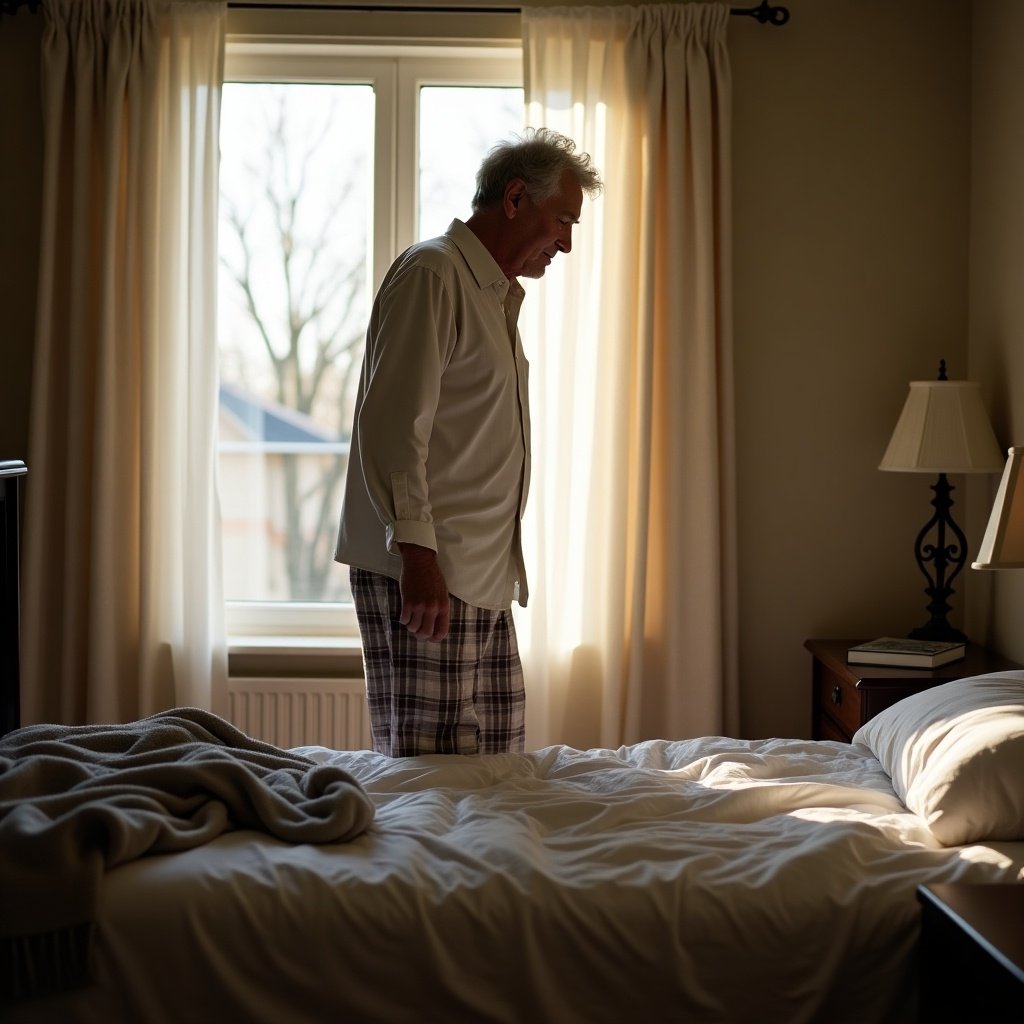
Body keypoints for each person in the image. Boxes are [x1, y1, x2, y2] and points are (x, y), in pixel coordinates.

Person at [335, 127, 603, 756]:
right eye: (562, 221)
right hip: (429, 574)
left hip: (479, 578)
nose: (565, 244)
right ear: (515, 199)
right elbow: (395, 429)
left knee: (493, 777)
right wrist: (420, 563)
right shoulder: (434, 273)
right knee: (430, 786)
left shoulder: (494, 297)